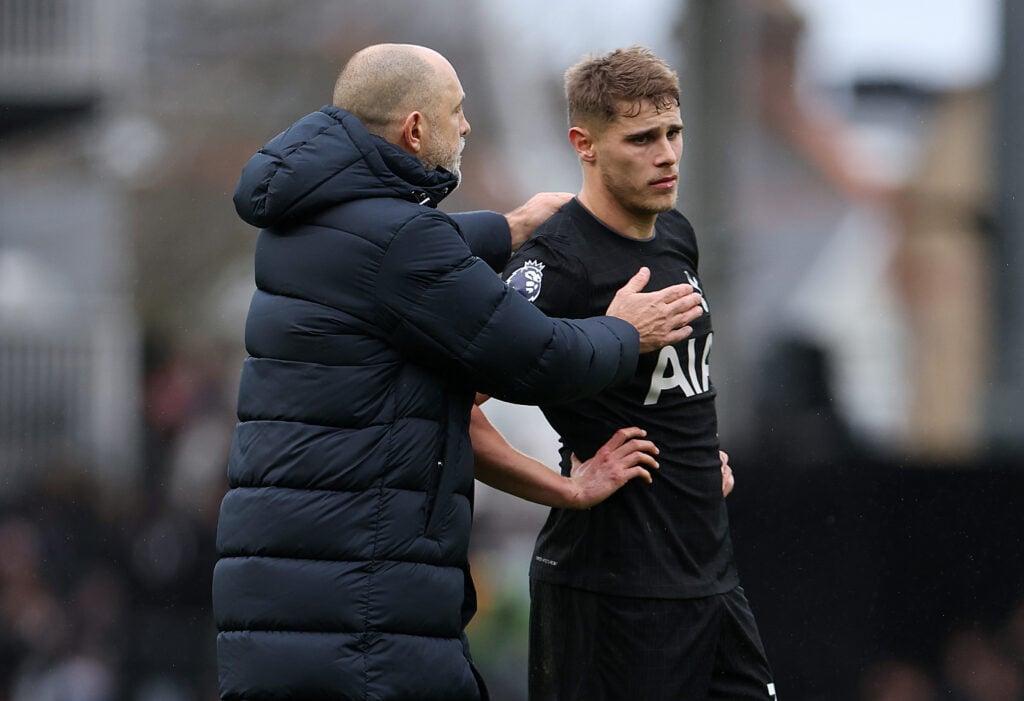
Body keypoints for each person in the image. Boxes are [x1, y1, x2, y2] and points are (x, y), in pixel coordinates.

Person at [213, 43, 706, 701]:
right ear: (415, 129)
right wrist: (624, 331)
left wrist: (508, 227)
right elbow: (539, 358)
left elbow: (391, 254)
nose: (467, 125)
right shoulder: (400, 244)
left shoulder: (300, 224)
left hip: (285, 602)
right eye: (457, 110)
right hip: (362, 612)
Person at [484, 45, 777, 699]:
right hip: (610, 593)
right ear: (583, 144)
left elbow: (672, 386)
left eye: (673, 133)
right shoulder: (556, 262)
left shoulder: (675, 233)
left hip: (710, 580)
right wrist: (562, 488)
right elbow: (455, 401)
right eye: (642, 138)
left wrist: (697, 456)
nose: (667, 154)